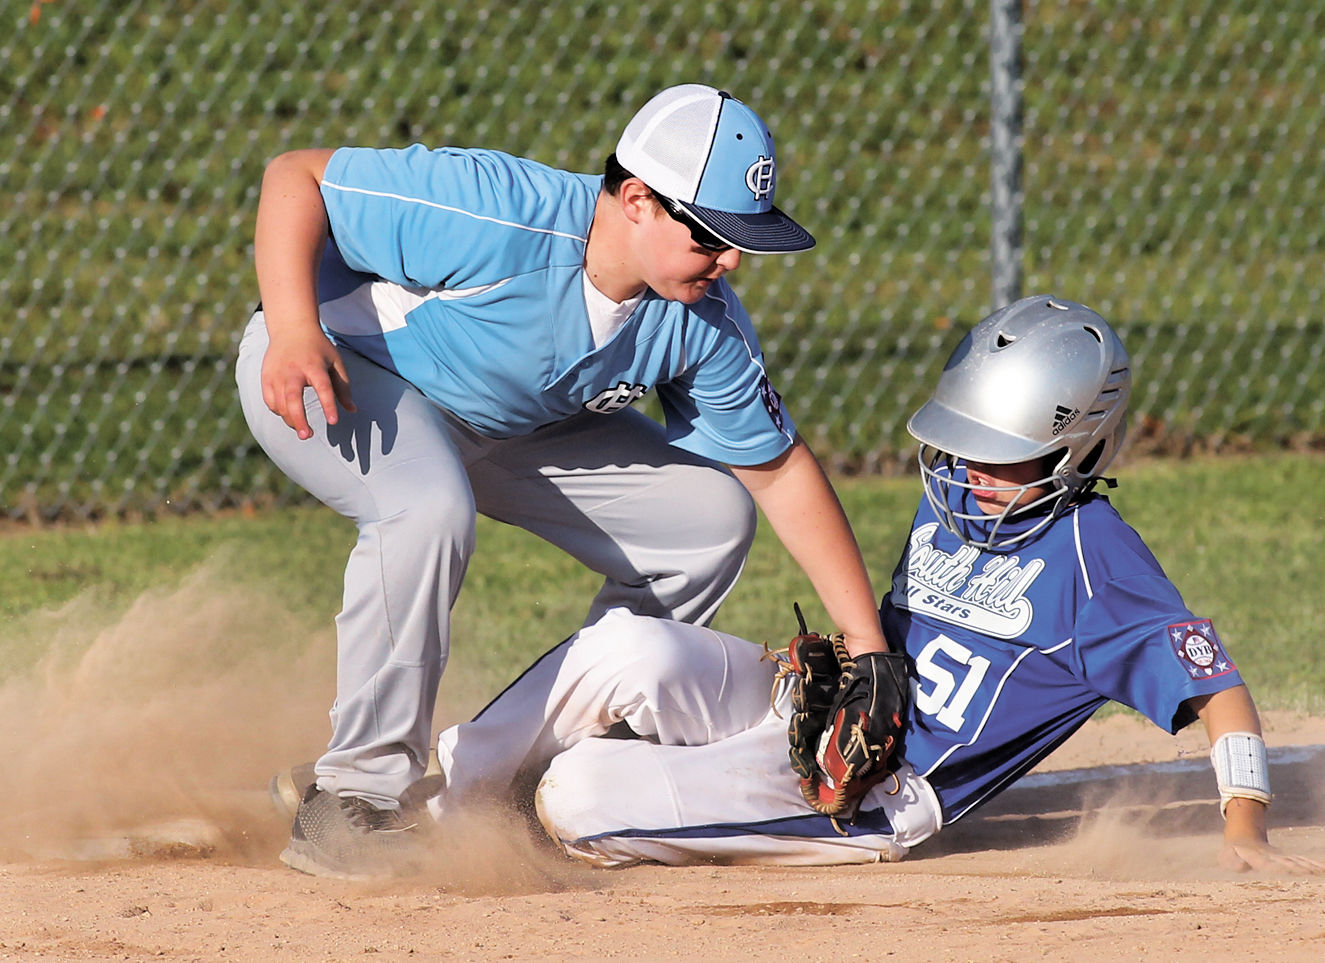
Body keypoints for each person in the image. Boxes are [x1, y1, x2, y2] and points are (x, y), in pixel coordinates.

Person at [413, 295, 1324, 874]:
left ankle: (524, 825)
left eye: (997, 459)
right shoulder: (952, 505)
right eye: (959, 446)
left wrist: (1244, 826)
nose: (967, 474)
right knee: (626, 646)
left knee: (580, 796)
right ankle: (432, 800)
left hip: (870, 792)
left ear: (1074, 450)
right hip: (811, 705)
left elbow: (1219, 690)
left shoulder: (1096, 560)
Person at [237, 83, 890, 879]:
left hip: (503, 428)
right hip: (334, 374)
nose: (731, 259)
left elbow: (779, 471)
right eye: (713, 236)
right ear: (639, 201)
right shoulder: (499, 212)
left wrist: (867, 644)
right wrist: (294, 327)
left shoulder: (699, 319)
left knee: (707, 519)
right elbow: (294, 178)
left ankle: (523, 772)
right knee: (427, 507)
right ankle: (349, 798)